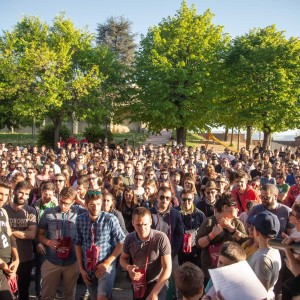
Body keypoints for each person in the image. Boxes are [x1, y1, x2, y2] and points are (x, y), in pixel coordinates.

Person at [75, 189, 125, 300]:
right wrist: (81, 269)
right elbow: (78, 244)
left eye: (98, 204)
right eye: (92, 204)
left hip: (106, 266)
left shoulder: (110, 219)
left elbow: (122, 242)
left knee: (102, 297)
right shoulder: (80, 220)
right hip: (88, 267)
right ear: (86, 205)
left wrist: (107, 263)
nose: (96, 207)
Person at [37, 186, 84, 300]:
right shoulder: (48, 213)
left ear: (73, 202)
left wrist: (80, 201)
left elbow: (97, 210)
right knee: (47, 295)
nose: (63, 206)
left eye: (67, 203)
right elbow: (39, 234)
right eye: (61, 202)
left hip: (72, 262)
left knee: (69, 295)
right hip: (52, 261)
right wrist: (48, 242)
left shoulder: (79, 211)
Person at [120, 207, 172, 300]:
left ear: (151, 221)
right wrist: (128, 267)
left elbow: (167, 268)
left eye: (145, 224)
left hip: (157, 282)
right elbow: (122, 258)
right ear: (132, 223)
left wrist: (154, 293)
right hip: (138, 282)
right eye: (138, 225)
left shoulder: (161, 238)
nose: (142, 228)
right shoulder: (129, 239)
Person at [196, 193, 248, 281]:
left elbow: (246, 241)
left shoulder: (237, 223)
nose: (237, 209)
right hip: (211, 271)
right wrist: (212, 235)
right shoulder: (209, 222)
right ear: (225, 207)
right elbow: (199, 243)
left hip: (233, 269)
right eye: (235, 206)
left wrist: (232, 229)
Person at [4, 180, 37, 300]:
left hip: (25, 257)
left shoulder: (31, 211)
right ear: (14, 192)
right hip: (7, 258)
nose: (23, 196)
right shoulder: (4, 210)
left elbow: (31, 234)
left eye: (27, 194)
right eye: (21, 192)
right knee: (7, 292)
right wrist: (23, 232)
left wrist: (8, 231)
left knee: (24, 291)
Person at [249, 211, 282, 299]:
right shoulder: (275, 250)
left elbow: (262, 294)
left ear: (257, 232)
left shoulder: (262, 258)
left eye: (253, 227)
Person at [0, 180, 19, 300]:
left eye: (6, 195)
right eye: (0, 194)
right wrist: (2, 264)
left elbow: (10, 235)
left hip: (7, 264)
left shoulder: (3, 211)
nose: (3, 198)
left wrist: (17, 259)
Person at [177, 189, 206, 265]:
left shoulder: (200, 214)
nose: (186, 202)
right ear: (180, 199)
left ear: (193, 199)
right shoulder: (175, 213)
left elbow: (204, 233)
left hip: (195, 251)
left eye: (189, 199)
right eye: (184, 199)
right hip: (179, 251)